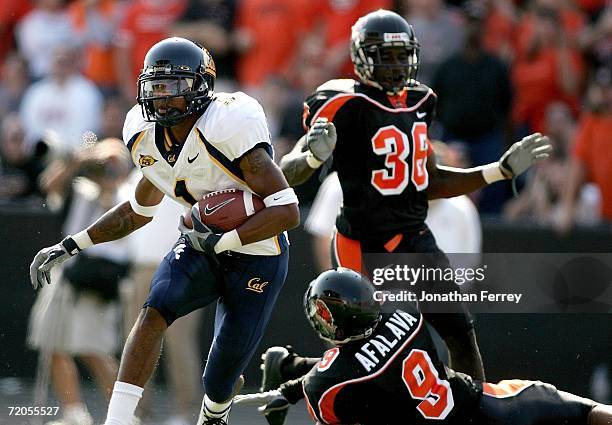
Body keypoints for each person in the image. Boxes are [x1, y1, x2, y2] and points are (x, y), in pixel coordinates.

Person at [29, 37, 300, 425]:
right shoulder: (143, 134)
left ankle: (213, 414)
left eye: (173, 86)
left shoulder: (228, 124)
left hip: (259, 251)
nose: (162, 97)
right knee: (154, 310)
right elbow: (137, 212)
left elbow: (287, 210)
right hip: (201, 243)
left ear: (201, 86)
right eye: (155, 87)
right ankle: (118, 420)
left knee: (220, 375)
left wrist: (225, 240)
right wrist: (72, 244)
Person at [280, 8, 551, 383]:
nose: (395, 65)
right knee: (367, 348)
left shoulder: (422, 100)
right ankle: (305, 387)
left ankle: (471, 413)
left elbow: (431, 180)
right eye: (384, 55)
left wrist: (497, 171)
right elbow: (287, 170)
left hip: (414, 236)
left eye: (401, 54)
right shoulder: (341, 102)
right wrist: (311, 155)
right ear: (361, 57)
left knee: (459, 331)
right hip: (363, 242)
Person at [235, 268, 612, 425]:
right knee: (586, 412)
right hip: (481, 408)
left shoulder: (327, 384)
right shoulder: (405, 310)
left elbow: (352, 370)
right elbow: (378, 360)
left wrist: (294, 380)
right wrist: (297, 373)